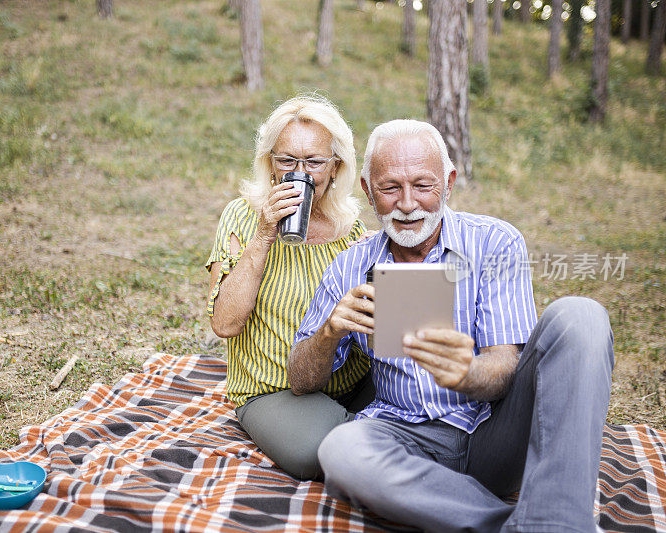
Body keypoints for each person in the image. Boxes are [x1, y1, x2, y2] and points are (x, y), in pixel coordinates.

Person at [288, 119, 615, 532]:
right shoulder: (349, 267)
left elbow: (503, 367)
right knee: (342, 451)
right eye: (390, 188)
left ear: (449, 182)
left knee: (581, 316)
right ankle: (523, 526)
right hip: (402, 439)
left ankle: (557, 521)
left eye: (423, 186)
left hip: (490, 432)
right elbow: (300, 380)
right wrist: (329, 332)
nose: (408, 204)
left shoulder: (496, 242)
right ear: (369, 191)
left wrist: (468, 373)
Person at [205, 95, 373, 480]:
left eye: (314, 162)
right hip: (273, 390)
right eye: (287, 161)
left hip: (349, 380)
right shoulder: (243, 216)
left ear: (335, 169)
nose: (301, 173)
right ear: (269, 163)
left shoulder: (353, 231)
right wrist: (264, 235)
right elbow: (225, 324)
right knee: (315, 452)